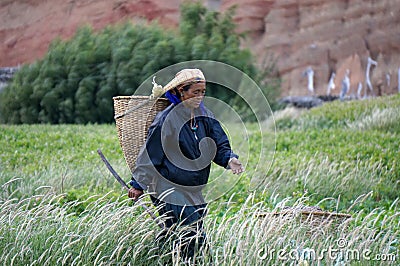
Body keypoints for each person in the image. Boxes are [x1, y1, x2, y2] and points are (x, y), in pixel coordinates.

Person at [127, 68, 244, 260]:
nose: (199, 97)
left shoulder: (205, 116)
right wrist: (138, 184)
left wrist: (229, 159)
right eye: (194, 92)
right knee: (193, 230)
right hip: (167, 186)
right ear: (180, 92)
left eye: (202, 92)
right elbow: (151, 153)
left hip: (192, 187)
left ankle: (159, 258)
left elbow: (218, 143)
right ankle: (195, 261)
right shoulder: (165, 120)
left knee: (174, 230)